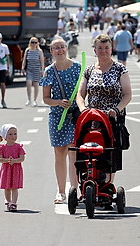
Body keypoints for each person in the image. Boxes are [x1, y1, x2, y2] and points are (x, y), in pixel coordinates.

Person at [76, 34, 132, 180]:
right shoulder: (89, 70)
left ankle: (108, 185)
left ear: (111, 49)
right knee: (90, 151)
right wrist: (83, 110)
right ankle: (89, 180)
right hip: (92, 118)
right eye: (100, 48)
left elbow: (127, 95)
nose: (103, 51)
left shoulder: (120, 69)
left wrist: (116, 110)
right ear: (95, 51)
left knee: (109, 152)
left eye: (106, 48)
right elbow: (80, 95)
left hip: (112, 118)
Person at [39, 38, 80, 204]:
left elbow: (83, 91)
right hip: (57, 117)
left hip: (75, 115)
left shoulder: (78, 67)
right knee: (59, 154)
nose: (60, 50)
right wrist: (59, 103)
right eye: (56, 48)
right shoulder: (49, 71)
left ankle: (74, 191)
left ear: (66, 48)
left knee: (74, 152)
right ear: (51, 51)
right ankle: (61, 191)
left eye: (62, 47)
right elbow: (46, 98)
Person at [0, 124, 25, 211]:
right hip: (6, 169)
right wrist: (7, 160)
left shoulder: (18, 147)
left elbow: (22, 158)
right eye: (10, 134)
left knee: (15, 187)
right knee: (7, 187)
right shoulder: (3, 148)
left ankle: (13, 202)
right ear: (5, 136)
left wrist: (15, 161)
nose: (13, 136)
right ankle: (8, 201)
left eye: (15, 134)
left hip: (16, 169)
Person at [21, 37, 44, 106]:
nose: (33, 44)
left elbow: (42, 61)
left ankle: (35, 100)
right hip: (29, 69)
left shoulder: (39, 51)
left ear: (37, 43)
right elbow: (24, 60)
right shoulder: (27, 50)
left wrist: (42, 70)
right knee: (28, 83)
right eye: (32, 42)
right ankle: (29, 99)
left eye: (35, 42)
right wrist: (22, 68)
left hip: (37, 70)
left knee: (36, 85)